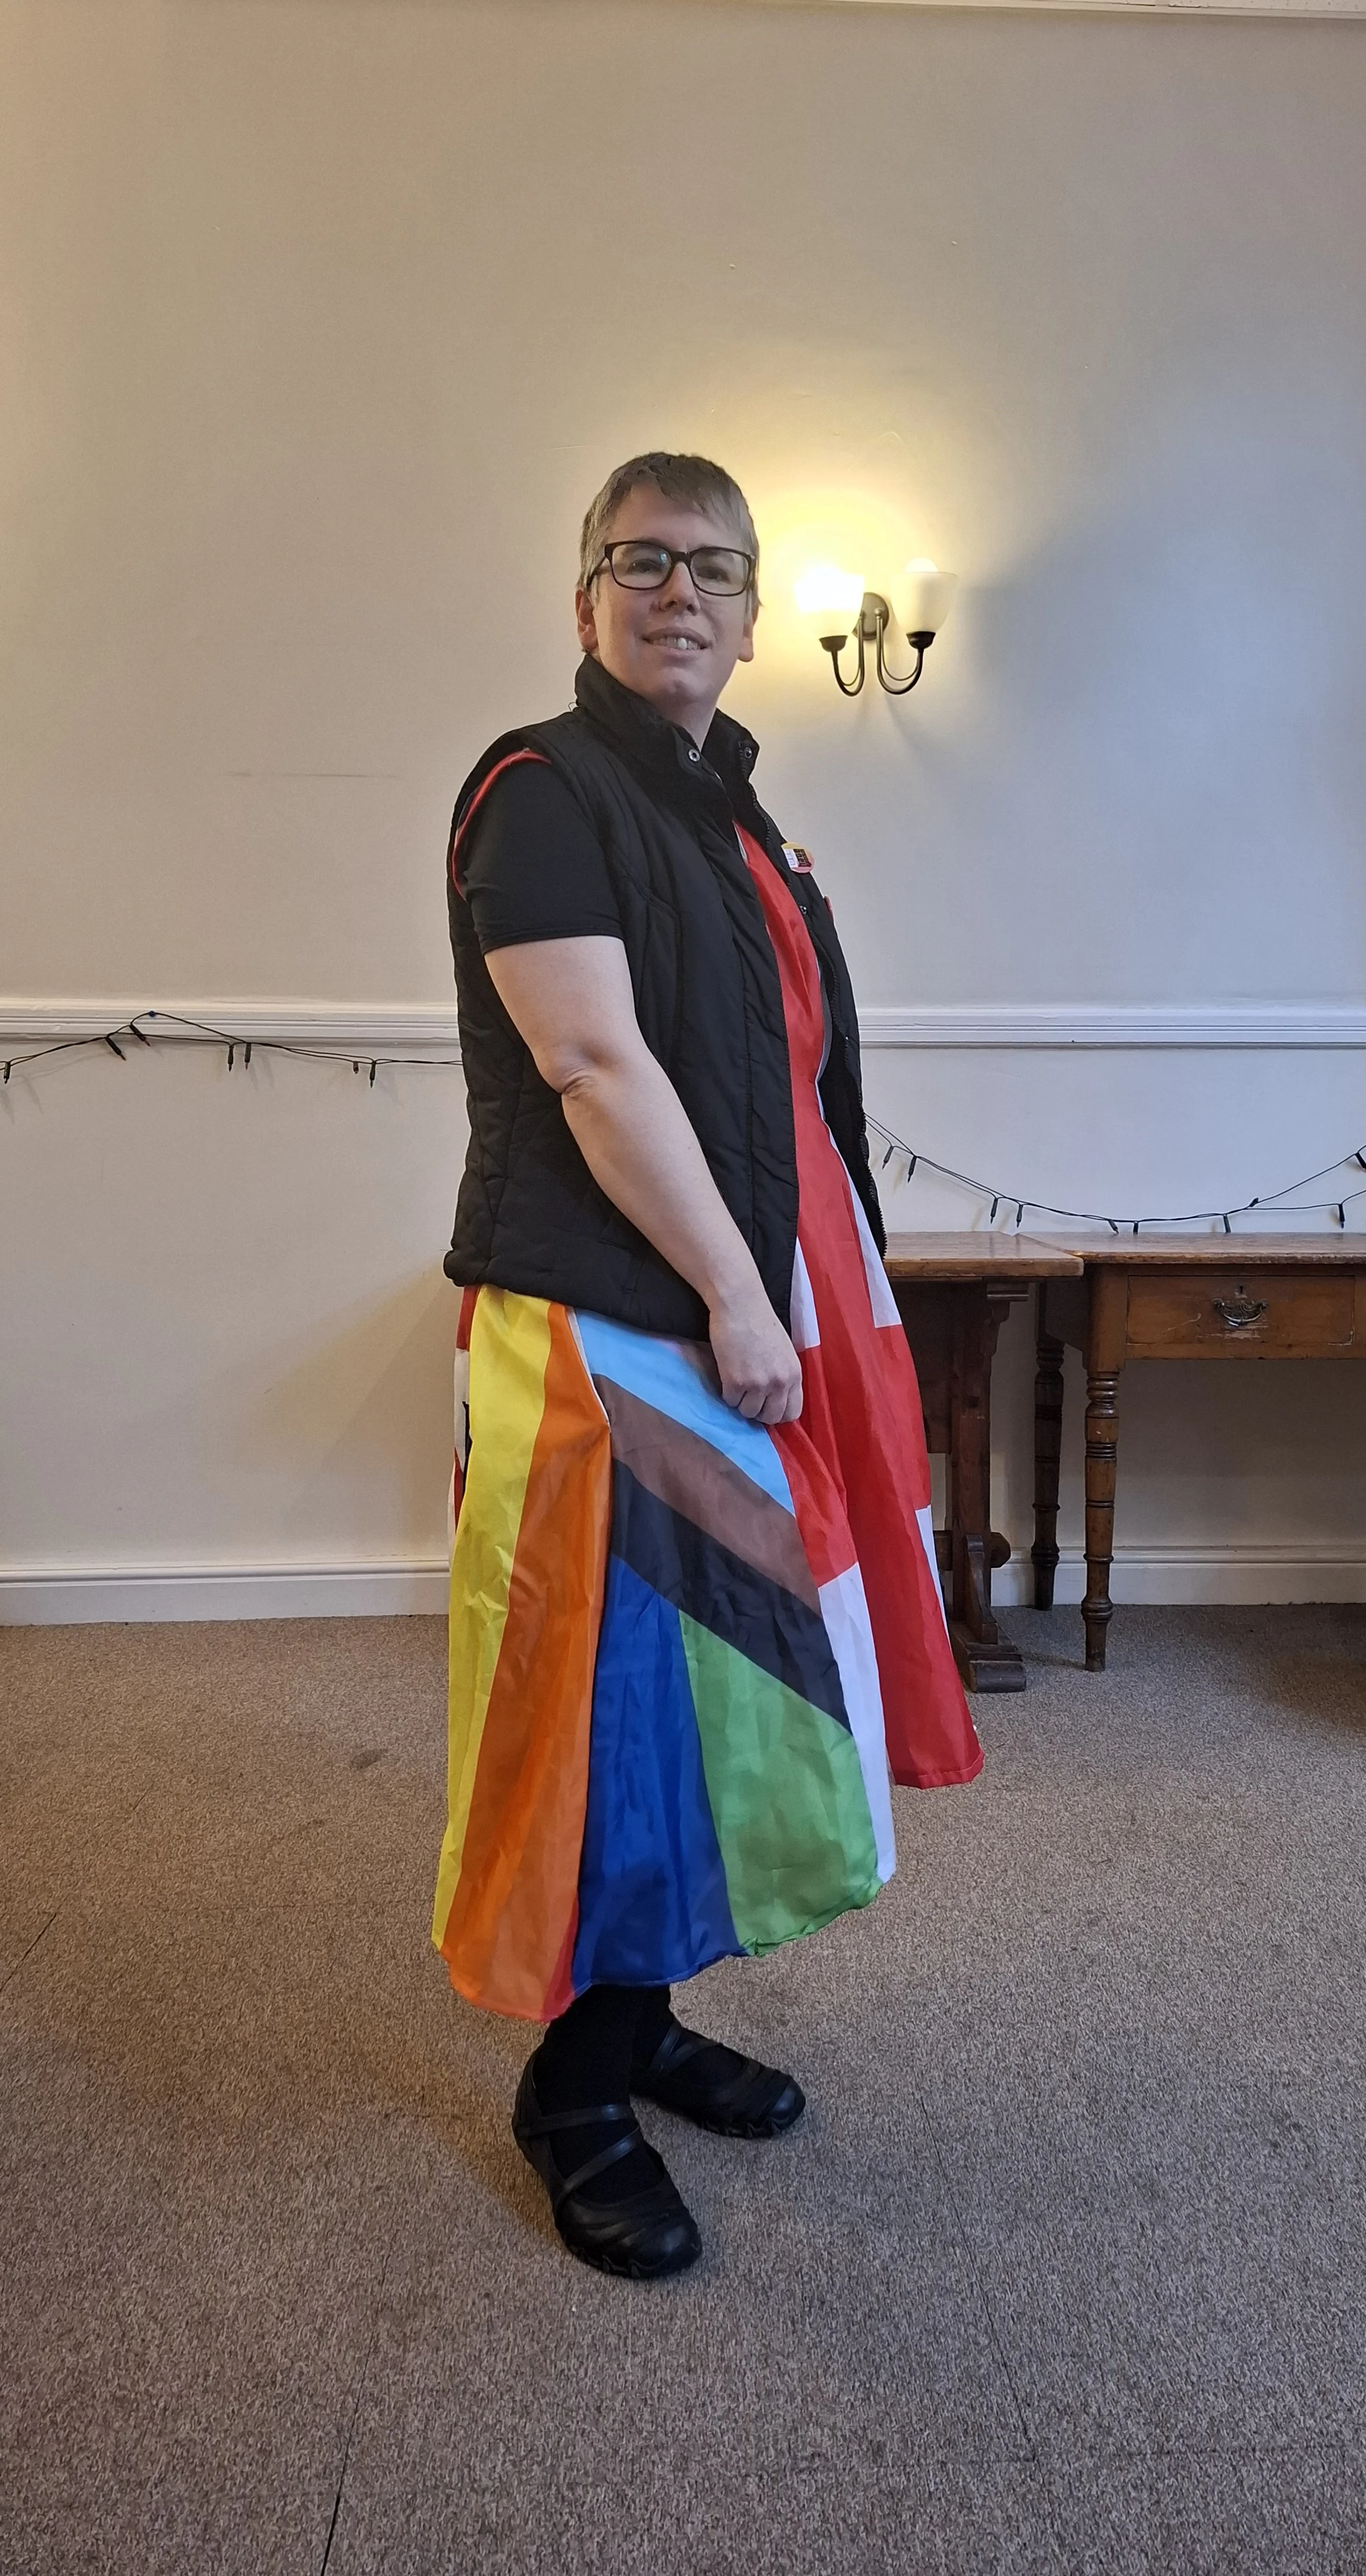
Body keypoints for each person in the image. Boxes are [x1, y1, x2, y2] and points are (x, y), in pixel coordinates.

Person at [435, 452, 982, 2279]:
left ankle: (642, 2015)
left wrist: (831, 1307)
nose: (681, 595)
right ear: (583, 596)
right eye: (641, 562)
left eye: (717, 572)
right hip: (613, 1328)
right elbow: (595, 1068)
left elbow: (795, 1093)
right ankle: (571, 2092)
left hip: (756, 1317)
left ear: (753, 618)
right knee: (617, 1728)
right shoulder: (543, 789)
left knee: (736, 1707)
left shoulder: (740, 823)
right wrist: (746, 1305)